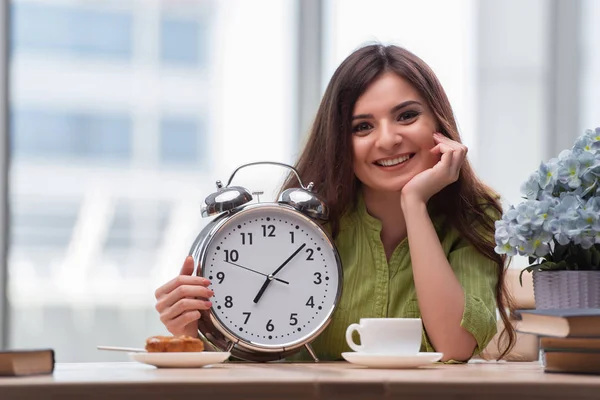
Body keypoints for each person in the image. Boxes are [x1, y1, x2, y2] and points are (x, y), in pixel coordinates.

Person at [154, 44, 516, 362]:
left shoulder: (475, 214)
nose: (388, 140)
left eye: (407, 115)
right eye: (362, 127)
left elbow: (455, 345)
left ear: (439, 121)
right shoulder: (300, 225)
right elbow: (256, 355)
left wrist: (414, 202)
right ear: (341, 141)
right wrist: (189, 332)